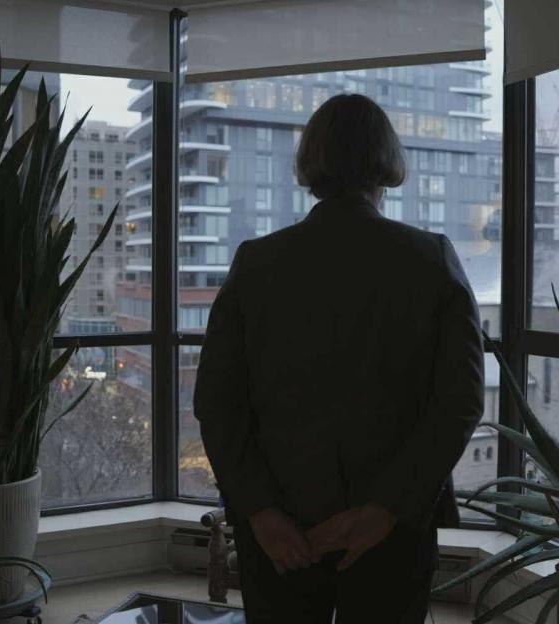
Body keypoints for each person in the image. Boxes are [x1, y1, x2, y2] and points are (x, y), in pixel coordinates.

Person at [194, 93, 484, 623]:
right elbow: (460, 402)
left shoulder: (256, 263)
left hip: (281, 528)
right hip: (391, 530)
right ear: (388, 160)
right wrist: (387, 508)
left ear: (310, 160)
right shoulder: (431, 259)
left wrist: (261, 511)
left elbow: (217, 402)